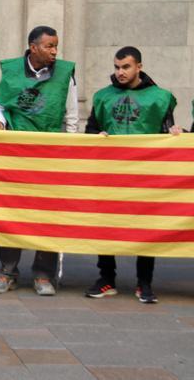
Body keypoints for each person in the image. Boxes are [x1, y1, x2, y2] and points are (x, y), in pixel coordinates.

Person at [83, 46, 181, 304]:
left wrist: (174, 135)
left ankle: (144, 283)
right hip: (109, 174)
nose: (120, 72)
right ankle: (106, 279)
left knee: (146, 227)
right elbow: (90, 130)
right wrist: (96, 136)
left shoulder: (160, 97)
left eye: (125, 67)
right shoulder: (103, 96)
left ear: (139, 66)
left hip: (145, 175)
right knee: (106, 225)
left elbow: (165, 131)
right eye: (116, 67)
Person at [0, 25, 78, 296]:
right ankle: (7, 271)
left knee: (47, 214)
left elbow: (71, 115)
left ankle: (43, 274)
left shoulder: (65, 74)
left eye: (56, 46)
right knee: (11, 212)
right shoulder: (12, 71)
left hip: (50, 154)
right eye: (49, 46)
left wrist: (70, 149)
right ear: (33, 47)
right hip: (16, 154)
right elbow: (0, 105)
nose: (54, 51)